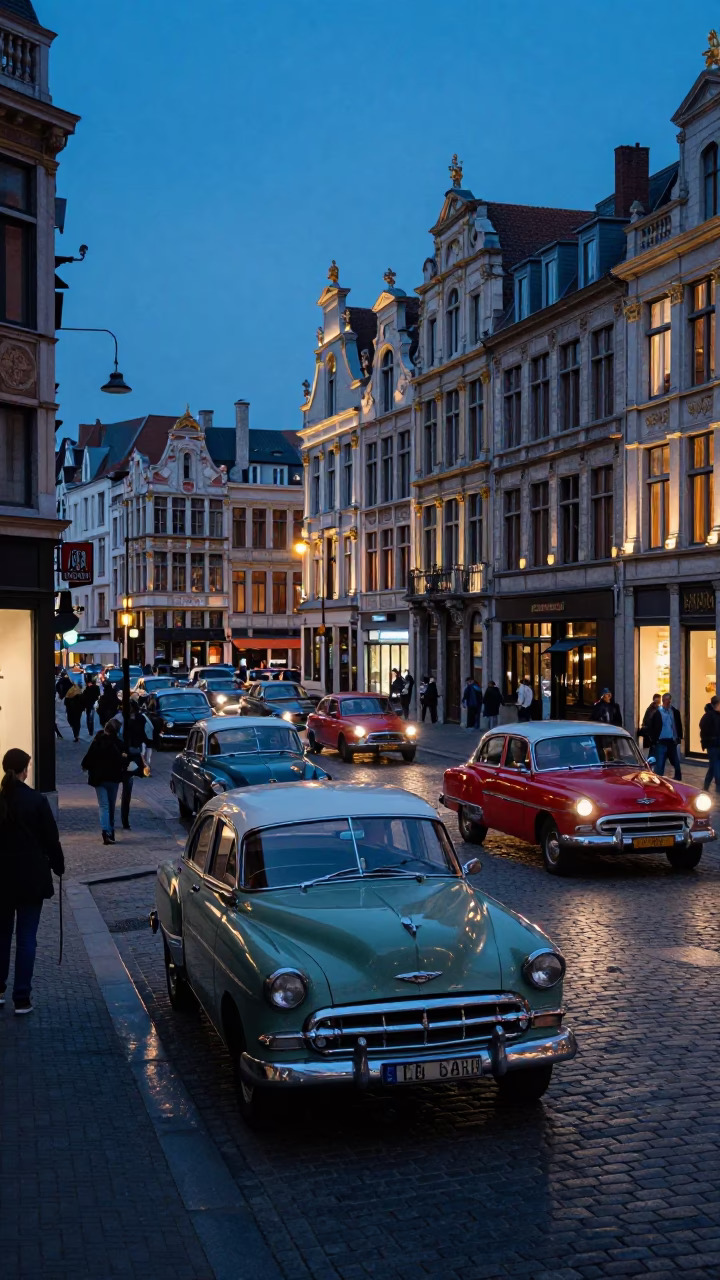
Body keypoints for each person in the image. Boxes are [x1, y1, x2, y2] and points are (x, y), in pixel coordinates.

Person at [0, 747, 64, 1015]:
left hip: (2, 879)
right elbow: (51, 838)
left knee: (2, 936)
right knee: (27, 938)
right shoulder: (37, 801)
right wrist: (58, 866)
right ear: (23, 770)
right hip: (30, 879)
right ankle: (22, 998)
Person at [81, 721, 127, 844]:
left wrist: (89, 768)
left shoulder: (97, 742)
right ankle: (110, 831)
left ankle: (106, 831)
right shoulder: (118, 744)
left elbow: (87, 760)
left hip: (99, 778)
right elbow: (124, 761)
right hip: (113, 778)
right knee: (111, 805)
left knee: (103, 806)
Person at [119, 705, 146, 830]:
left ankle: (119, 820)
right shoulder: (141, 719)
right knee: (127, 792)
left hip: (125, 754)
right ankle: (125, 820)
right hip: (133, 753)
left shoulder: (121, 721)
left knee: (120, 792)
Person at [648, 692, 683, 780]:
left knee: (675, 761)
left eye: (670, 699)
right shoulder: (658, 712)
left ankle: (678, 778)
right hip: (661, 741)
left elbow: (678, 724)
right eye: (667, 699)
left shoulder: (674, 712)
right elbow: (652, 726)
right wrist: (653, 739)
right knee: (660, 763)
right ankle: (658, 779)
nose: (669, 701)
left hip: (671, 741)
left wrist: (679, 737)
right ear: (663, 700)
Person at [699, 695, 720, 791]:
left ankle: (706, 786)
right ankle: (718, 786)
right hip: (713, 744)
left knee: (713, 766)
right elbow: (705, 730)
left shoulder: (712, 715)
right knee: (716, 765)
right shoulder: (710, 716)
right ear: (717, 704)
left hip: (714, 744)